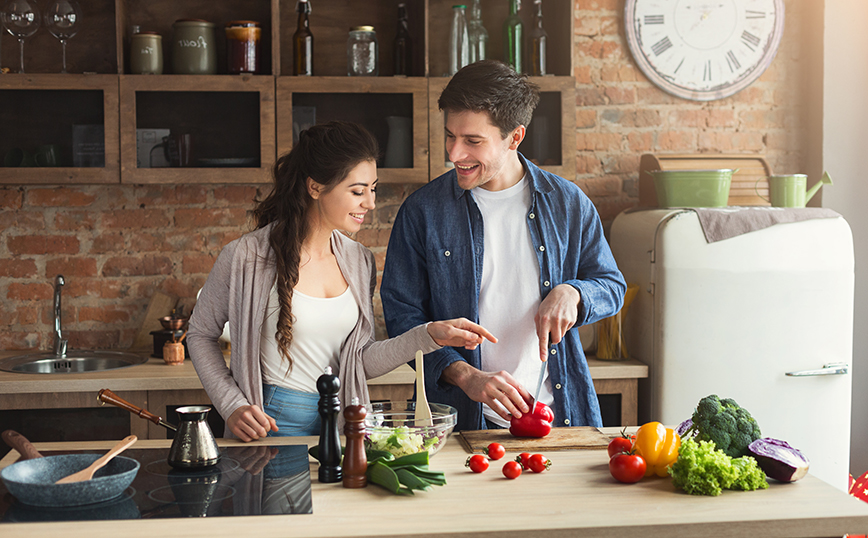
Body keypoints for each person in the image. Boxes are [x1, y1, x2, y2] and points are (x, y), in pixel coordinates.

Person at [187, 121, 496, 441]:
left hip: (344, 422)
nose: (370, 203)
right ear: (316, 187)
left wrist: (428, 335)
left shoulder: (359, 261)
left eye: (373, 189)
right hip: (274, 422)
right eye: (358, 191)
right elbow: (200, 334)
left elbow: (359, 361)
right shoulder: (245, 257)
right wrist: (231, 404)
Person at [381, 60, 626, 431]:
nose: (454, 153)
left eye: (473, 141)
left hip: (557, 417)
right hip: (460, 422)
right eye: (450, 136)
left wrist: (573, 293)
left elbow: (611, 286)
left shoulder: (568, 204)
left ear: (515, 137)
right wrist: (465, 375)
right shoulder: (423, 212)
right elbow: (403, 317)